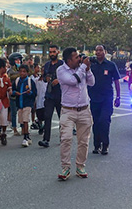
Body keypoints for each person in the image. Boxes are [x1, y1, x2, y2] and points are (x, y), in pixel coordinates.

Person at [55, 47, 95, 180]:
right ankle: (65, 168)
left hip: (84, 109)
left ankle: (80, 165)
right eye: (76, 57)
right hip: (68, 110)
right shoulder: (61, 70)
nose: (79, 59)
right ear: (68, 60)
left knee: (83, 141)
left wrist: (87, 69)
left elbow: (92, 82)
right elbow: (73, 81)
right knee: (66, 139)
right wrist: (83, 66)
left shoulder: (82, 68)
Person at [88, 45, 121, 155]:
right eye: (96, 50)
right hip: (94, 98)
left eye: (100, 50)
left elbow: (116, 81)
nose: (98, 52)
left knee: (104, 121)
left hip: (107, 98)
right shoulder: (91, 65)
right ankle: (96, 145)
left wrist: (118, 97)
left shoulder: (111, 65)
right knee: (96, 122)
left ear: (105, 52)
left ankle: (105, 145)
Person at [38, 45, 62, 148]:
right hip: (49, 94)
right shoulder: (47, 65)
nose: (52, 54)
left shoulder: (62, 64)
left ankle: (63, 138)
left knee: (63, 118)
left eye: (53, 52)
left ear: (58, 52)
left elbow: (68, 77)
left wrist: (59, 80)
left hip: (60, 95)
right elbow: (43, 78)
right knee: (47, 116)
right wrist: (46, 78)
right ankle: (46, 139)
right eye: (50, 52)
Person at [12, 63, 37, 147]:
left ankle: (25, 137)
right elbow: (13, 91)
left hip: (27, 104)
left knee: (25, 120)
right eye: (21, 71)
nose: (22, 73)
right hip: (20, 104)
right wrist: (16, 93)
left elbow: (35, 93)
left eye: (24, 72)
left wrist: (30, 93)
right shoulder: (17, 81)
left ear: (27, 72)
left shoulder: (30, 81)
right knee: (22, 121)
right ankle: (27, 136)